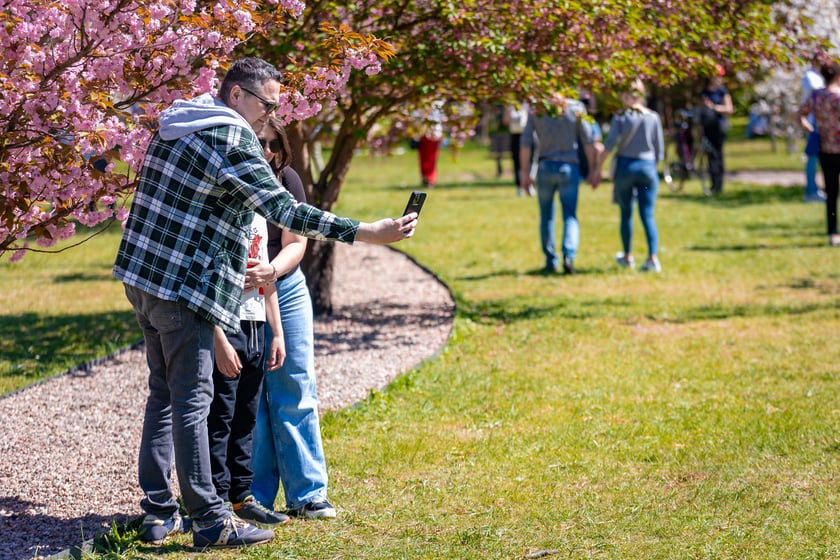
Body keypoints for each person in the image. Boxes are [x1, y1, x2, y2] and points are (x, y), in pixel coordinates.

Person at [112, 57, 417, 550]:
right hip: (182, 287)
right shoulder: (230, 136)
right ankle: (209, 521)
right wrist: (367, 232)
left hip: (141, 279)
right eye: (267, 104)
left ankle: (157, 512)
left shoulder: (178, 120)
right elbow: (283, 210)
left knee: (164, 396)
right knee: (192, 401)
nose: (271, 116)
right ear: (236, 95)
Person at [244, 117, 338, 520]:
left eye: (271, 145)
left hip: (285, 284)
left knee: (296, 387)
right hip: (245, 293)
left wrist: (273, 272)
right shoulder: (233, 182)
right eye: (257, 143)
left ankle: (308, 494)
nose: (265, 152)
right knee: (253, 399)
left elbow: (296, 243)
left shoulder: (287, 181)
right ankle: (254, 496)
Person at [206, 208, 290, 529]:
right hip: (225, 328)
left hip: (255, 328)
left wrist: (277, 333)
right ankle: (217, 500)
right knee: (220, 418)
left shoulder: (258, 220)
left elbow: (266, 279)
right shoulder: (218, 215)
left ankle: (243, 496)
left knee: (246, 417)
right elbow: (204, 282)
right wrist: (219, 341)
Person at [520, 92, 597, 275]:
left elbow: (525, 143)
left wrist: (524, 173)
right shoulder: (576, 108)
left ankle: (550, 260)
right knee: (570, 215)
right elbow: (588, 141)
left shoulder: (537, 109)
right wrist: (594, 169)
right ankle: (569, 255)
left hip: (545, 166)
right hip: (569, 167)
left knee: (546, 216)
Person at [593, 79, 665, 272]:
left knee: (626, 213)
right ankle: (652, 257)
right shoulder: (653, 117)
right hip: (648, 169)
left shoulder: (621, 117)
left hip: (626, 168)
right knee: (647, 214)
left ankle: (627, 255)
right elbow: (659, 151)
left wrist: (598, 167)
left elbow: (609, 145)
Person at [798, 58, 840, 247]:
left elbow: (799, 114)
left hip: (824, 148)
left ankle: (833, 232)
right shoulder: (838, 97)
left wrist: (810, 128)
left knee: (831, 192)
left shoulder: (816, 96)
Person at [697, 66, 734, 195]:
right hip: (707, 126)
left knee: (718, 155)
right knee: (710, 156)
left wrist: (714, 107)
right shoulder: (704, 92)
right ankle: (713, 184)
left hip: (718, 127)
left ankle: (719, 184)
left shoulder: (722, 91)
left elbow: (729, 109)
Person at [801, 51, 828, 203]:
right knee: (812, 157)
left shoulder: (819, 77)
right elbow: (820, 95)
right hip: (814, 122)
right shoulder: (810, 77)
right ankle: (811, 191)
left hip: (822, 121)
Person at [503, 101, 534, 196]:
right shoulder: (511, 105)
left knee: (530, 161)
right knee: (517, 162)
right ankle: (519, 186)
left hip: (527, 134)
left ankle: (530, 184)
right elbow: (505, 121)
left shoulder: (529, 104)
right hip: (515, 136)